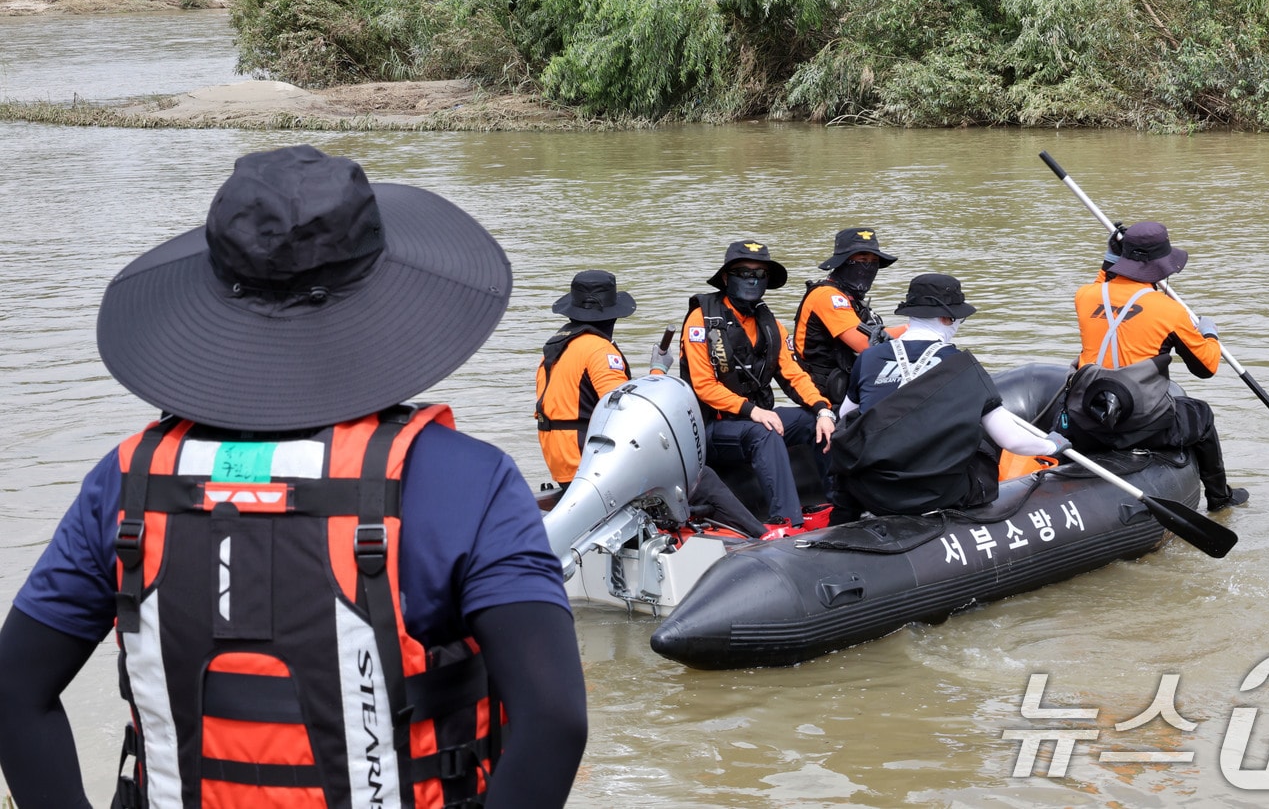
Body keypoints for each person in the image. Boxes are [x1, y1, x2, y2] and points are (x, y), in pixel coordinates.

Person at [0, 145, 587, 808]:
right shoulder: (468, 484)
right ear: (385, 296)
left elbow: (15, 692)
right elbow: (554, 718)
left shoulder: (125, 483)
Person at [536, 270, 765, 536]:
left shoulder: (556, 347)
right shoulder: (600, 351)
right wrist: (658, 372)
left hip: (564, 468)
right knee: (704, 479)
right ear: (612, 315)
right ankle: (761, 537)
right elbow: (624, 417)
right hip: (590, 467)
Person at [828, 273, 1070, 523]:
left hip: (872, 494)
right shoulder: (962, 367)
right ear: (947, 318)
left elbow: (846, 418)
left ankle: (843, 517)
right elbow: (1012, 440)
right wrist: (1053, 445)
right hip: (932, 494)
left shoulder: (869, 358)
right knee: (979, 443)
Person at [1070, 220, 1248, 511]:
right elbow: (1207, 368)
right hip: (1139, 422)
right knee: (1201, 415)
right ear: (1160, 265)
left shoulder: (1085, 296)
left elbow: (1102, 283)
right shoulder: (1170, 311)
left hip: (1087, 416)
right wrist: (1210, 334)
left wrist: (1111, 257)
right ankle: (1220, 498)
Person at [678, 240, 837, 530]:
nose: (752, 278)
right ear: (726, 277)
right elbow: (703, 386)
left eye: (760, 274)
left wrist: (823, 410)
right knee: (763, 432)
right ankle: (787, 520)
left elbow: (794, 374)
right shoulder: (701, 320)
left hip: (751, 419)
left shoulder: (769, 323)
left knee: (811, 421)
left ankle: (835, 501)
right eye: (743, 272)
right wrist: (752, 410)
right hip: (710, 428)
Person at [792, 227, 906, 406]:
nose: (868, 266)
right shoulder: (828, 295)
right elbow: (866, 344)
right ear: (843, 262)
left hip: (849, 392)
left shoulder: (851, 298)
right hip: (824, 398)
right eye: (861, 260)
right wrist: (917, 327)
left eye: (873, 261)